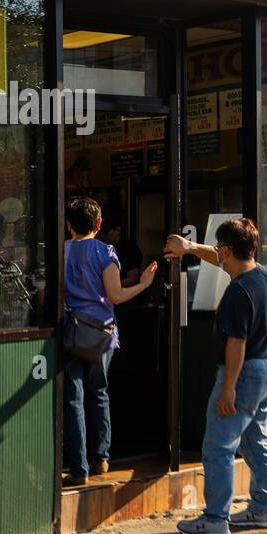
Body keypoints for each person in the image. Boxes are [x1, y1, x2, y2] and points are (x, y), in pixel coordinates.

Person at [163, 218, 267, 534]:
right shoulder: (262, 277)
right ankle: (264, 508)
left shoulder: (237, 292)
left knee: (218, 445)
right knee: (256, 442)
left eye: (219, 248)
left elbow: (236, 345)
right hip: (266, 371)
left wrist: (229, 388)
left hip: (241, 374)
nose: (217, 253)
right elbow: (222, 259)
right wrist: (189, 248)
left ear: (227, 250)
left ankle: (215, 518)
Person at [62, 196, 158, 485]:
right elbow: (115, 295)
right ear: (99, 224)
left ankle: (78, 469)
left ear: (68, 225)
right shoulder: (106, 252)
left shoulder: (61, 252)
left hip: (71, 332)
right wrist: (143, 284)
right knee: (99, 393)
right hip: (101, 335)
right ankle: (101, 458)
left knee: (73, 400)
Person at [99, 219, 144, 286]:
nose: (103, 237)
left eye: (106, 233)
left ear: (117, 230)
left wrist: (111, 286)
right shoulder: (103, 248)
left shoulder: (130, 249)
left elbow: (133, 279)